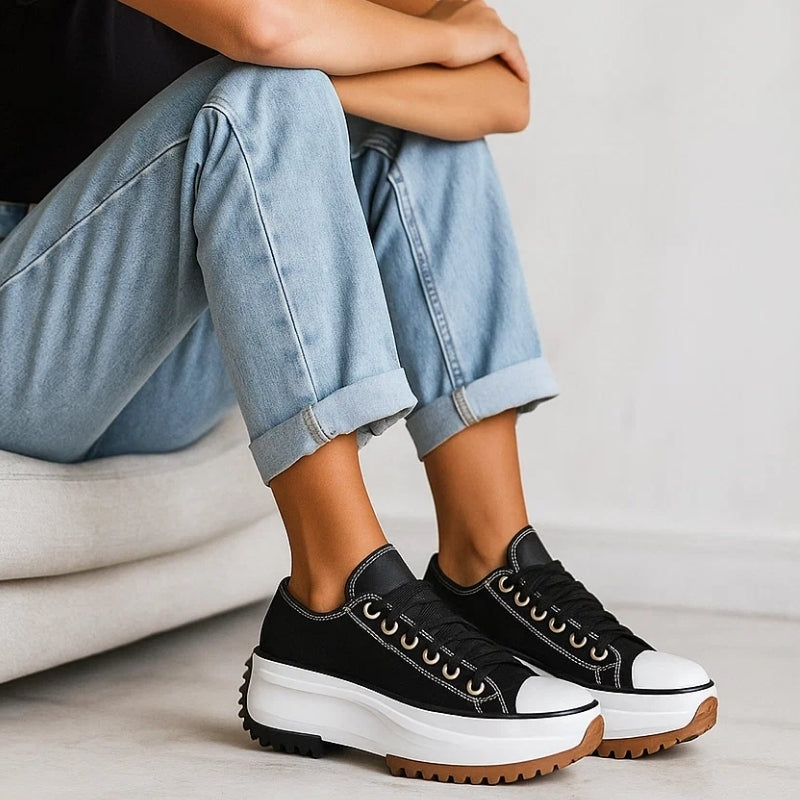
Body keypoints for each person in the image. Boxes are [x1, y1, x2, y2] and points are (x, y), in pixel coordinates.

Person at [0, 0, 717, 785]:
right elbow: (265, 31)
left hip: (148, 375)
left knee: (407, 129)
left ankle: (490, 566)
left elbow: (500, 92)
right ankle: (335, 595)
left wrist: (320, 90)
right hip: (24, 347)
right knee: (273, 94)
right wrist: (422, 46)